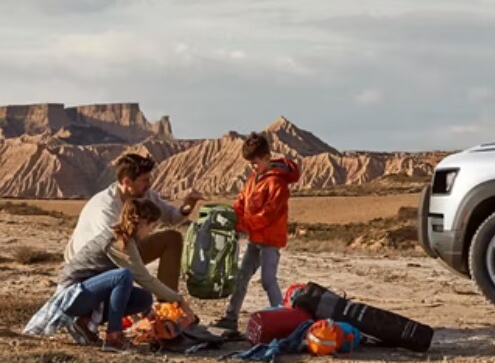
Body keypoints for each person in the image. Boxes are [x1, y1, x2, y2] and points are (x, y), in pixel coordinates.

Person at [28, 199, 196, 351]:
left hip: (90, 295)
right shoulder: (116, 240)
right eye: (153, 226)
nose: (152, 231)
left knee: (144, 298)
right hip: (73, 294)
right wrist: (178, 299)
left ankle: (84, 322)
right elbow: (144, 278)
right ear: (143, 223)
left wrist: (147, 311)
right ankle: (113, 336)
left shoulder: (128, 240)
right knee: (123, 276)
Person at [64, 153, 204, 291]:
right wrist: (142, 278)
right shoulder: (106, 207)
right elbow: (113, 249)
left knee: (172, 238)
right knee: (129, 286)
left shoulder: (144, 195)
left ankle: (167, 303)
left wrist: (187, 207)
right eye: (145, 180)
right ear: (127, 182)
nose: (149, 185)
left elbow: (171, 217)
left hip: (125, 249)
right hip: (93, 267)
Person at [215, 132, 300, 331]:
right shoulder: (254, 179)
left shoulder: (277, 183)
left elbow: (268, 214)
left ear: (267, 157)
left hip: (270, 240)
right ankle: (230, 318)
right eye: (250, 163)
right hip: (255, 239)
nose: (252, 167)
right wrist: (233, 218)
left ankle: (282, 320)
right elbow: (241, 201)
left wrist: (244, 224)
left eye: (255, 163)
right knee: (241, 277)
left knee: (268, 280)